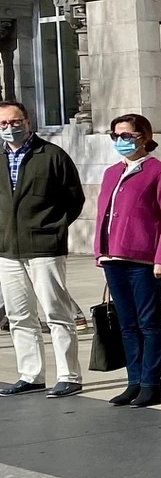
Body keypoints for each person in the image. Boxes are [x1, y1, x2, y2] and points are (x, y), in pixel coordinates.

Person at [0, 102, 86, 399]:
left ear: (27, 120)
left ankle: (69, 375)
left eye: (15, 121)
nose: (10, 127)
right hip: (7, 250)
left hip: (44, 247)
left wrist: (54, 228)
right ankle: (31, 374)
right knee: (19, 315)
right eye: (3, 124)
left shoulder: (51, 155)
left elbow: (74, 199)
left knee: (55, 311)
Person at [94, 113, 161, 407]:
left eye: (127, 135)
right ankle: (133, 381)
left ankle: (151, 383)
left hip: (143, 260)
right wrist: (99, 251)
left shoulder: (159, 171)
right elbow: (103, 215)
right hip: (113, 257)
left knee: (148, 323)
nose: (121, 141)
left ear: (143, 136)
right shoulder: (111, 173)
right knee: (126, 324)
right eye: (116, 135)